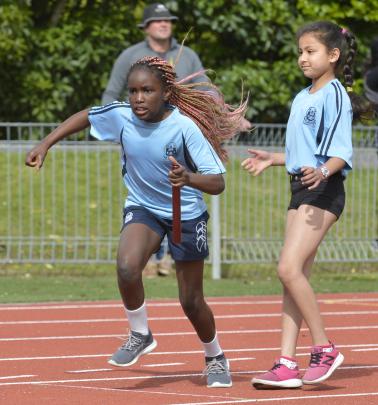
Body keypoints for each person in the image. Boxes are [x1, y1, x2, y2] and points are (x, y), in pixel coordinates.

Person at [25, 56, 248, 388]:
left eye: (147, 90)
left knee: (190, 300)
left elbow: (217, 182)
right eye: (133, 91)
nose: (139, 98)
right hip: (144, 207)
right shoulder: (122, 116)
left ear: (166, 94)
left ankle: (214, 356)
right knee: (127, 267)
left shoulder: (184, 127)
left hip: (185, 215)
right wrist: (45, 144)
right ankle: (140, 333)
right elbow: (85, 116)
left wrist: (187, 177)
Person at [242, 21, 371, 389]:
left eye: (310, 51)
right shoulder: (303, 96)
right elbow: (304, 152)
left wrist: (323, 171)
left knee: (287, 268)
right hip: (301, 188)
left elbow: (340, 154)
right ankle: (286, 363)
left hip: (323, 190)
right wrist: (273, 158)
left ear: (333, 55)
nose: (302, 58)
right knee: (293, 278)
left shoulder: (334, 94)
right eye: (300, 51)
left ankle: (324, 348)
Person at [101, 3, 209, 105]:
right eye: (158, 21)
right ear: (145, 28)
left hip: (182, 121)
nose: (163, 24)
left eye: (167, 20)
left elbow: (206, 89)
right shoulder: (129, 55)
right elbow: (111, 94)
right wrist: (111, 120)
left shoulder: (188, 55)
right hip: (137, 122)